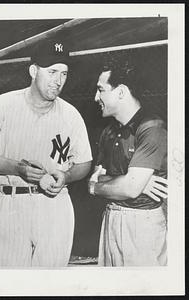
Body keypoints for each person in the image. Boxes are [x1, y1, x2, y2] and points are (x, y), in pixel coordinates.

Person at [0, 39, 92, 267]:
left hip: (55, 205)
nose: (58, 81)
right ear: (34, 71)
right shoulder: (3, 104)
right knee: (9, 285)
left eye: (64, 74)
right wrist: (18, 168)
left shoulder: (71, 114)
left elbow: (84, 163)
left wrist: (66, 176)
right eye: (52, 71)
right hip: (11, 202)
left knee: (51, 286)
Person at [88, 57, 168, 266]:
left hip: (142, 224)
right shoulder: (108, 131)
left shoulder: (152, 127)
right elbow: (97, 175)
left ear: (121, 91)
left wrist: (97, 188)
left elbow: (130, 189)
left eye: (101, 90)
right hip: (110, 218)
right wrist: (127, 181)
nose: (96, 97)